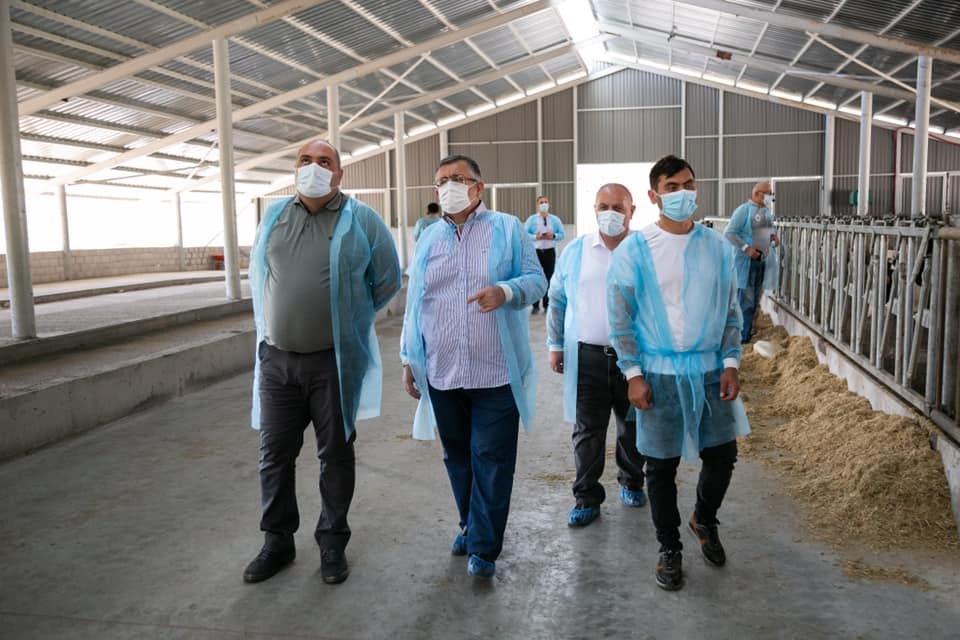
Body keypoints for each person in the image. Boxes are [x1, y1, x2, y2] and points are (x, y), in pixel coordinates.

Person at [245, 139, 402, 586]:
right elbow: (260, 274)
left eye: (324, 161)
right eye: (305, 160)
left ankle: (332, 542)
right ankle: (277, 541)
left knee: (334, 453)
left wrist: (347, 317)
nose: (314, 167)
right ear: (294, 168)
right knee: (274, 455)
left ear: (339, 173)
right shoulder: (274, 215)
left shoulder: (362, 220)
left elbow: (387, 280)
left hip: (332, 361)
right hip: (277, 360)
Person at [607, 155, 750, 592]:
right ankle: (669, 546)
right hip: (658, 370)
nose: (682, 193)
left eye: (688, 184)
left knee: (722, 454)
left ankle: (704, 518)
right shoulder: (635, 249)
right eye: (672, 187)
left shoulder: (717, 247)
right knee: (660, 464)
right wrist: (633, 373)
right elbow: (620, 317)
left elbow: (731, 311)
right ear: (654, 196)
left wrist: (730, 362)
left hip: (709, 368)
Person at [400, 154, 547, 579]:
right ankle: (470, 522)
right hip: (442, 370)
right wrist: (409, 357)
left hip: (495, 370)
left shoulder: (508, 228)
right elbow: (416, 302)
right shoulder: (429, 237)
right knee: (458, 456)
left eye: (458, 178)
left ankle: (483, 545)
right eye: (442, 180)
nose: (449, 186)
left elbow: (537, 280)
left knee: (492, 456)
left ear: (478, 187)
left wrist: (505, 291)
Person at [546, 183, 647, 528]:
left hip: (635, 359)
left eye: (618, 207)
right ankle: (586, 496)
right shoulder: (577, 251)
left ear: (632, 211)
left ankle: (632, 481)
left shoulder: (645, 250)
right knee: (588, 430)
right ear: (594, 209)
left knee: (632, 425)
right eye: (604, 206)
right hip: (586, 356)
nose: (610, 213)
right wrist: (555, 345)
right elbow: (557, 298)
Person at [725, 181, 780, 343]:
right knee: (746, 300)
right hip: (746, 262)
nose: (771, 197)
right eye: (768, 193)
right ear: (757, 194)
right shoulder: (743, 210)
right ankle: (740, 339)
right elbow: (729, 233)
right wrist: (746, 248)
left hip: (761, 261)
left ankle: (746, 333)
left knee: (754, 300)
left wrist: (773, 237)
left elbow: (767, 232)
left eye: (771, 194)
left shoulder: (766, 213)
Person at [524, 196, 565, 314]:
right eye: (541, 202)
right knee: (536, 278)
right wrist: (535, 237)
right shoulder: (531, 220)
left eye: (546, 202)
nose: (544, 204)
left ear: (549, 204)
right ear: (537, 205)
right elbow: (524, 235)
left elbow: (562, 234)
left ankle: (547, 305)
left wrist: (554, 236)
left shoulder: (555, 220)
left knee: (549, 279)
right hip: (536, 252)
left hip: (549, 252)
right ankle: (535, 305)